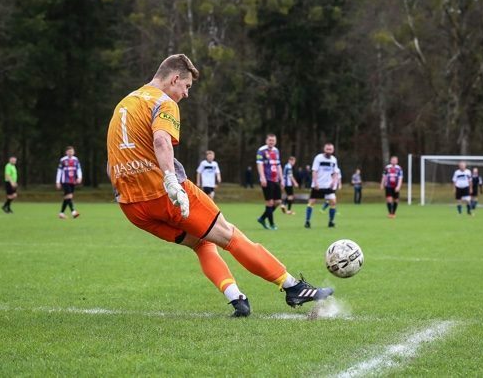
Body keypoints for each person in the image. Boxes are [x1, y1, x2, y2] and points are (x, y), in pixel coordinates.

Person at [106, 54, 332, 317]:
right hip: (164, 194)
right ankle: (292, 286)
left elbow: (112, 156)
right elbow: (161, 142)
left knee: (201, 243)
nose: (186, 94)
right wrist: (170, 181)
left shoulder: (125, 103)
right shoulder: (163, 101)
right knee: (230, 235)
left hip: (131, 206)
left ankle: (236, 299)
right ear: (175, 78)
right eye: (187, 87)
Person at [305, 143, 339, 228]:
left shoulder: (334, 160)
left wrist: (334, 182)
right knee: (311, 202)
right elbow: (314, 171)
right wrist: (315, 182)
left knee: (333, 202)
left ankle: (331, 222)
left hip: (328, 185)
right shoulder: (318, 158)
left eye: (330, 149)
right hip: (318, 185)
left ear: (333, 150)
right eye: (327, 149)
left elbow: (335, 172)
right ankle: (307, 221)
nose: (329, 151)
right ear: (324, 149)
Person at [256, 134, 283, 230]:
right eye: (270, 140)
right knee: (270, 202)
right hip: (267, 179)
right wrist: (262, 177)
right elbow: (259, 165)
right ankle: (272, 224)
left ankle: (262, 218)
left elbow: (278, 165)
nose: (271, 142)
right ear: (266, 141)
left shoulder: (276, 151)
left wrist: (282, 178)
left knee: (278, 201)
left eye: (273, 140)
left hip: (275, 179)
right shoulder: (261, 150)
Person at [56, 146, 83, 219]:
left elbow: (78, 169)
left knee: (67, 197)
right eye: (69, 151)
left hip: (73, 181)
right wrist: (58, 182)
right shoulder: (63, 160)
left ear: (74, 152)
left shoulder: (76, 160)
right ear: (66, 152)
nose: (70, 153)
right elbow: (59, 171)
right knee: (69, 196)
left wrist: (79, 177)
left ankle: (61, 213)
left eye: (72, 151)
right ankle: (73, 212)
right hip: (65, 181)